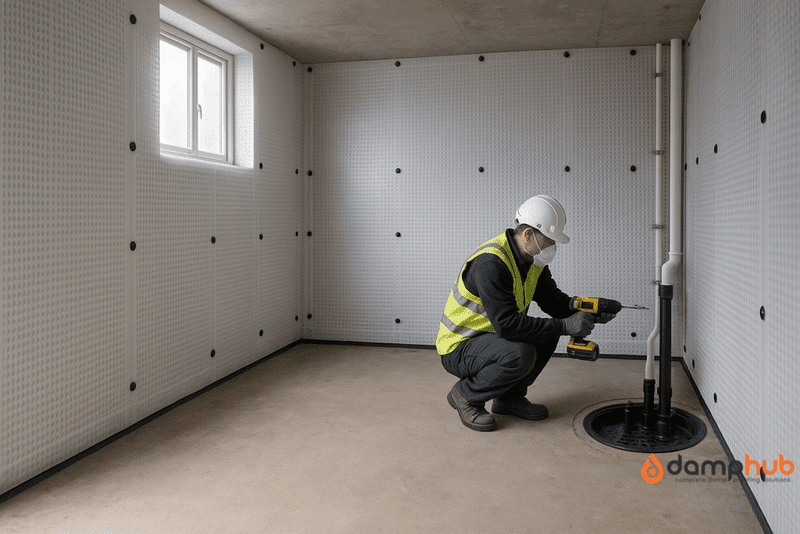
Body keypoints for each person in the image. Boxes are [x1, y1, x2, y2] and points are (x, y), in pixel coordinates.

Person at [436, 195, 616, 432]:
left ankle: (509, 399)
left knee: (547, 332)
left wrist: (587, 309)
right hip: (460, 346)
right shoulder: (490, 264)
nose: (552, 247)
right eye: (549, 240)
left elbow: (553, 301)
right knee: (521, 352)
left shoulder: (532, 260)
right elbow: (508, 325)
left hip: (491, 340)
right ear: (527, 235)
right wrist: (565, 326)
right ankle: (466, 395)